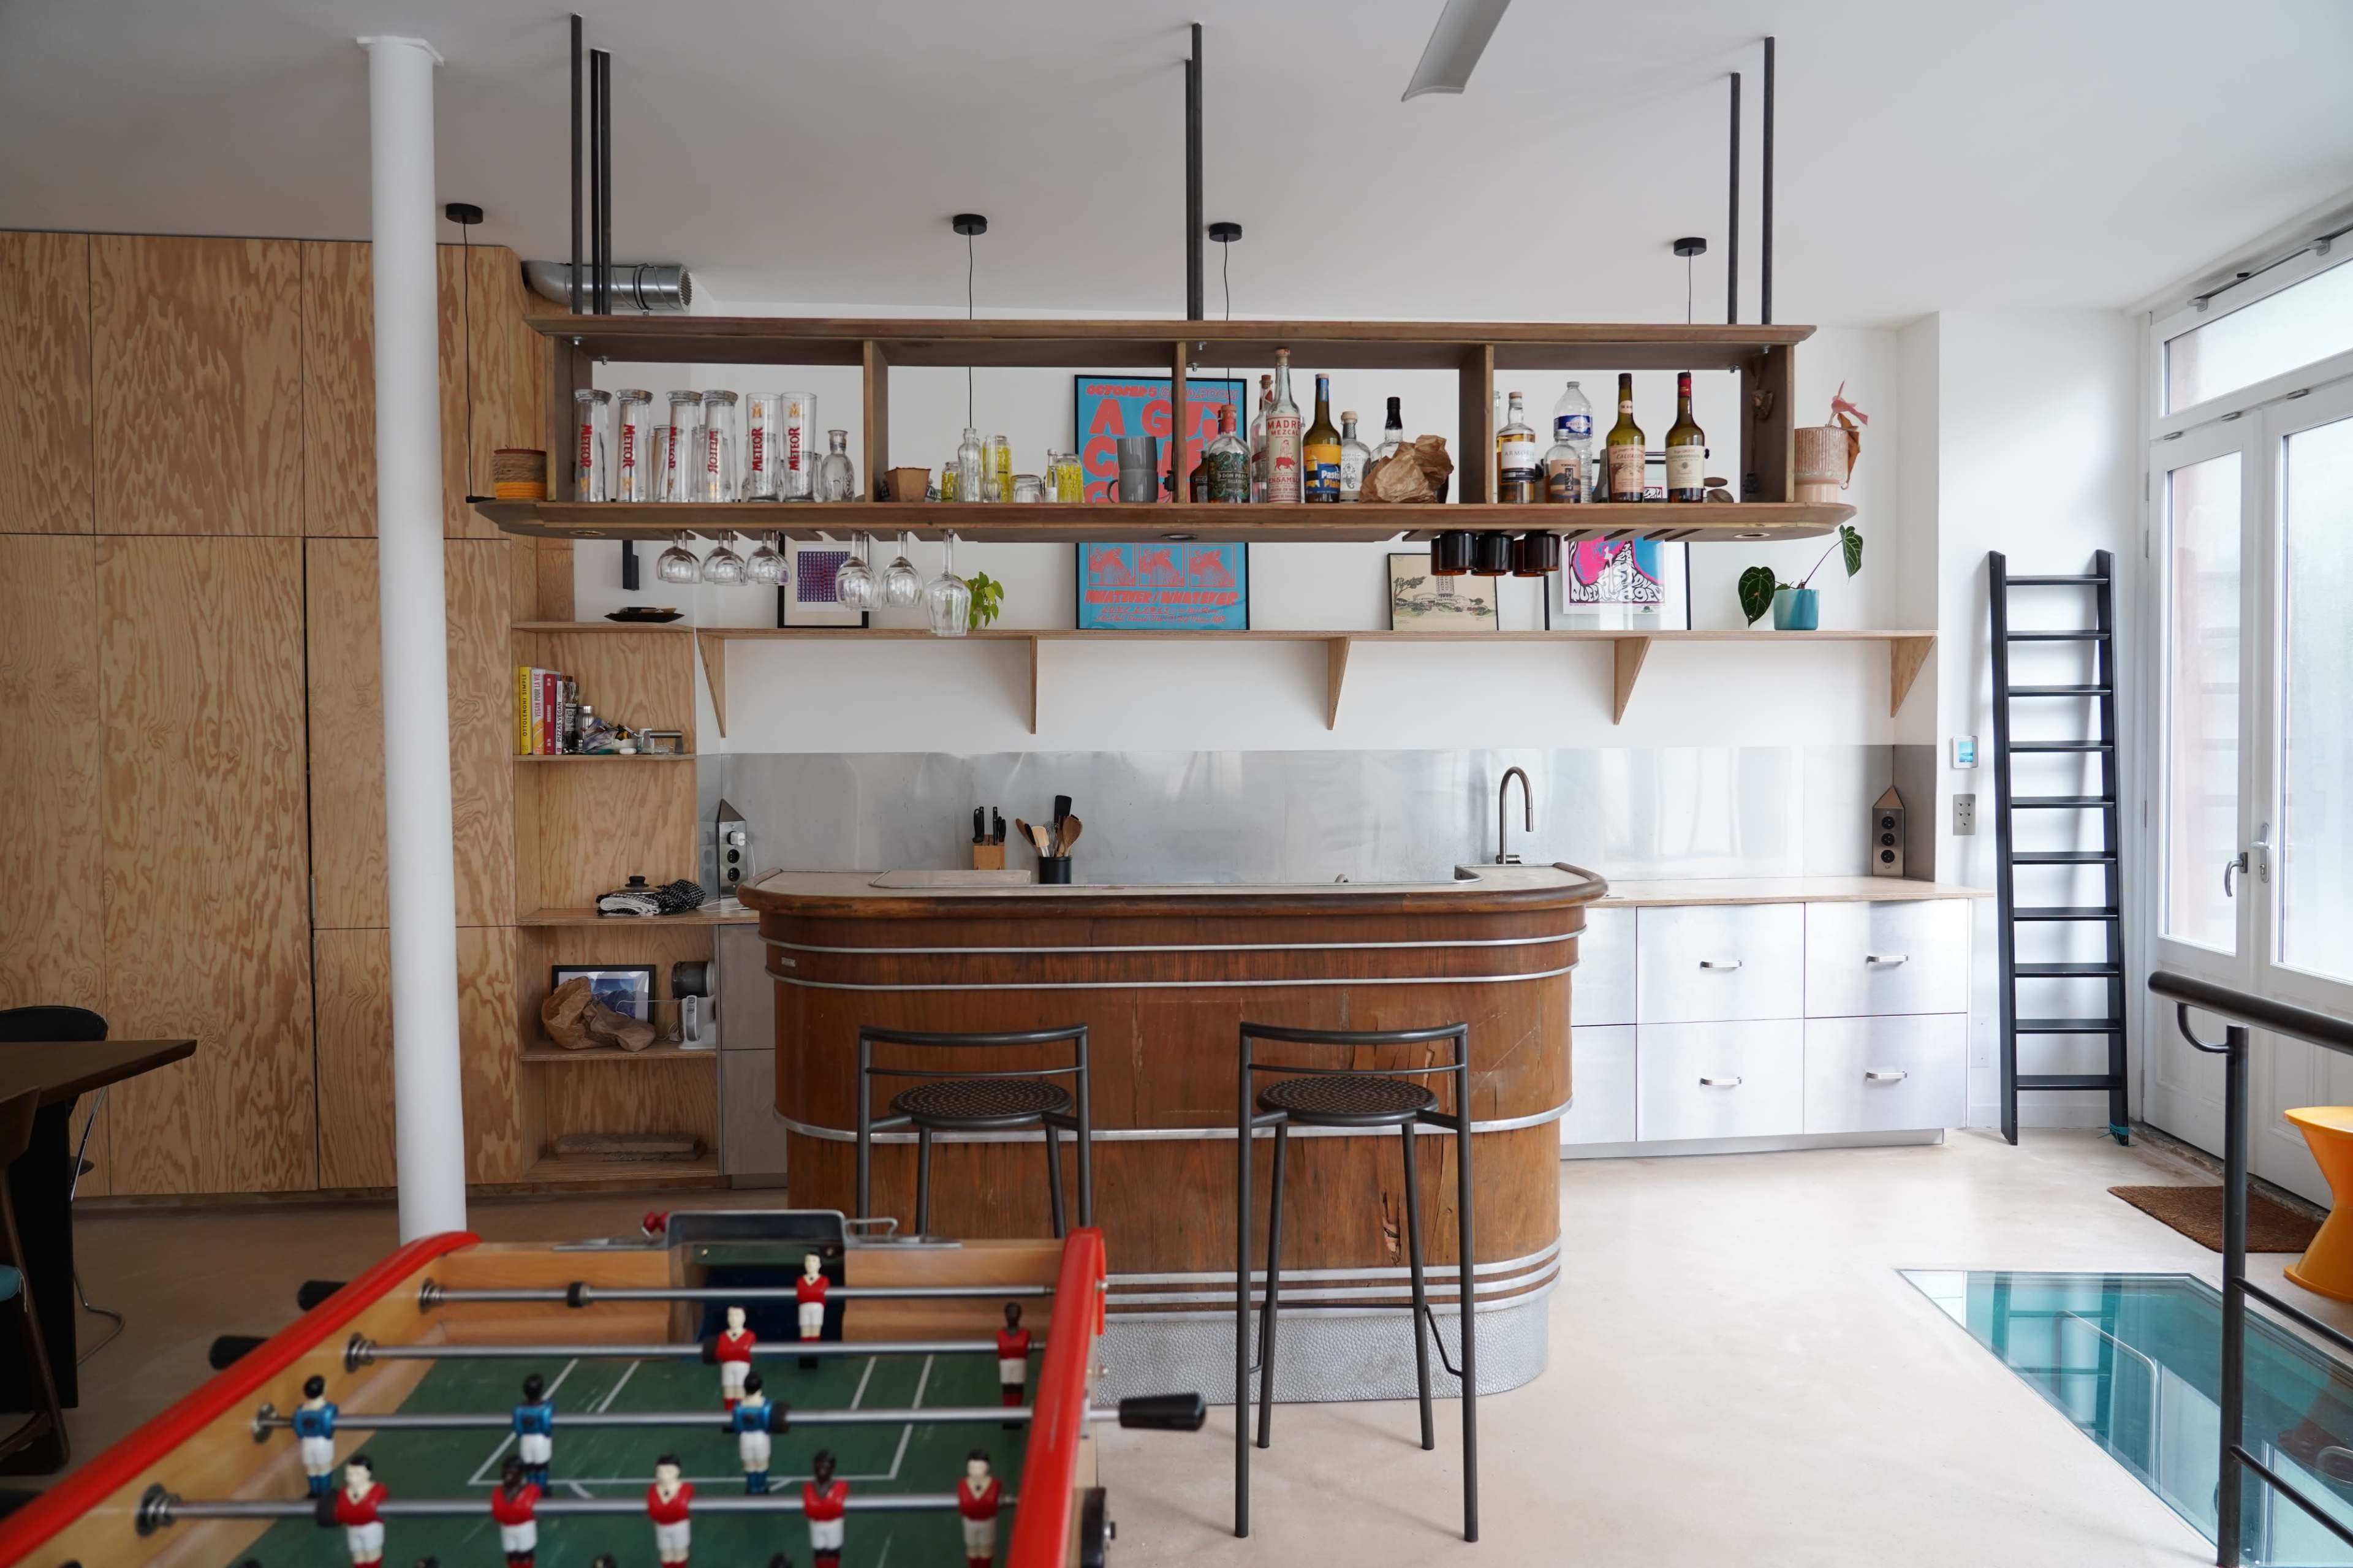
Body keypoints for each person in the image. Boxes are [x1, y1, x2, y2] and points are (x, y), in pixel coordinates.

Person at [323, 1453, 388, 1567]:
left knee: (372, 1556)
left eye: (357, 1474)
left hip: (370, 1530)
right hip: (353, 1530)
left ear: (367, 1474)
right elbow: (341, 1513)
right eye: (349, 1474)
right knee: (358, 1558)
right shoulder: (343, 1493)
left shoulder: (378, 1491)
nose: (352, 1478)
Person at [730, 1371, 781, 1493]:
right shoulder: (767, 1406)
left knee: (750, 1466)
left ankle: (752, 1488)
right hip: (761, 1438)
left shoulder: (738, 1407)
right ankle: (761, 1487)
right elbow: (768, 1426)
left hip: (745, 1439)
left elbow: (738, 1428)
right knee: (762, 1465)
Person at [292, 1375, 339, 1497]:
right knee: (324, 1469)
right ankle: (325, 1494)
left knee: (311, 1469)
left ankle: (314, 1493)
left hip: (307, 1444)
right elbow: (329, 1430)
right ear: (323, 1390)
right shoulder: (329, 1410)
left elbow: (299, 1432)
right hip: (322, 1444)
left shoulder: (300, 1411)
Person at [489, 1455, 540, 1568]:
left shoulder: (531, 1491)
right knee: (512, 1556)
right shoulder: (498, 1493)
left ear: (520, 1474)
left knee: (525, 1555)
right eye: (506, 1471)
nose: (508, 1475)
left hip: (523, 1528)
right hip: (508, 1528)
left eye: (512, 1471)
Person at [801, 1449, 847, 1566]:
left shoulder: (840, 1487)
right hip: (817, 1525)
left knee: (833, 1552)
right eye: (819, 1464)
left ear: (832, 1468)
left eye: (826, 1464)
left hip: (833, 1525)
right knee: (819, 1552)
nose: (822, 1468)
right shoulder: (808, 1488)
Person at [957, 1449, 1002, 1568]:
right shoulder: (962, 1485)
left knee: (986, 1550)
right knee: (972, 1549)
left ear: (987, 1468)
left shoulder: (995, 1485)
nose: (976, 1472)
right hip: (970, 1523)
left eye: (980, 1468)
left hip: (987, 1523)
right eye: (973, 1468)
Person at [646, 1453, 694, 1566]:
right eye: (660, 1471)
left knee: (680, 1553)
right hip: (662, 1527)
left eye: (668, 1471)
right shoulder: (652, 1490)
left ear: (677, 1472)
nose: (663, 1476)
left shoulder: (686, 1489)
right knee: (666, 1555)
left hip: (679, 1526)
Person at [512, 1373, 556, 1490]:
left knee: (530, 1469)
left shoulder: (519, 1410)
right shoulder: (545, 1409)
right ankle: (541, 1491)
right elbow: (547, 1427)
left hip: (526, 1441)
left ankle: (531, 1492)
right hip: (541, 1441)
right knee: (542, 1468)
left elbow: (518, 1430)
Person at [715, 1305, 756, 1411]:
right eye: (731, 1316)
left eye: (737, 1315)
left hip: (742, 1369)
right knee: (728, 1393)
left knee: (740, 1393)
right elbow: (721, 1353)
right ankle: (728, 1418)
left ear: (744, 1318)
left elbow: (746, 1353)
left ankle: (739, 1417)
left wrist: (731, 1352)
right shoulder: (723, 1336)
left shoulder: (750, 1336)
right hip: (727, 1368)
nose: (733, 1319)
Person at [997, 1301, 1032, 1425]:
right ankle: (1009, 1418)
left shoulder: (1024, 1334)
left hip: (1017, 1364)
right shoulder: (1001, 1334)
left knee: (1017, 1391)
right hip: (1008, 1364)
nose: (1012, 1316)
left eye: (1015, 1313)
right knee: (1008, 1391)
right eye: (1010, 1313)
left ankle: (1015, 1418)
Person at [795, 1253, 828, 1369]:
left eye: (814, 1261)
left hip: (817, 1309)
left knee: (815, 1332)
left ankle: (813, 1359)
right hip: (804, 1308)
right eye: (808, 1261)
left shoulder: (824, 1280)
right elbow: (801, 1296)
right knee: (805, 1332)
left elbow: (820, 1294)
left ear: (819, 1265)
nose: (810, 1264)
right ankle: (805, 1359)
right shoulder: (800, 1281)